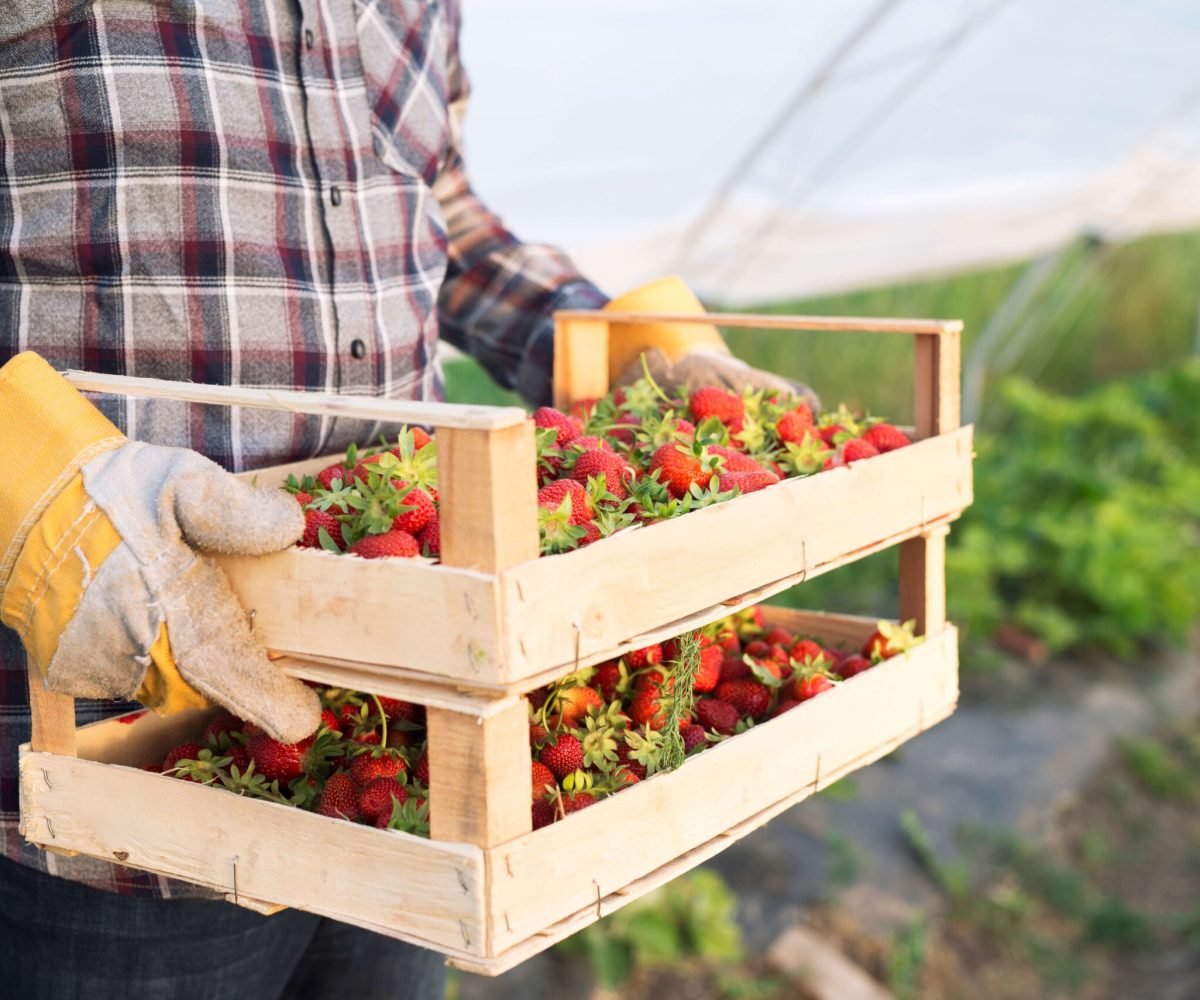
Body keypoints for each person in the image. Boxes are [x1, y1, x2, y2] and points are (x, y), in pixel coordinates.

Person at [0, 4, 797, 999]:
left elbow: (439, 209)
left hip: (411, 741)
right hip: (105, 765)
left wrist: (600, 339)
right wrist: (30, 487)